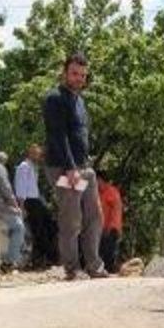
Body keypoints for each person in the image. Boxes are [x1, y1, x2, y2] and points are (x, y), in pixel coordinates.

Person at [43, 53, 106, 280]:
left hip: (83, 168)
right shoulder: (55, 99)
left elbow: (79, 134)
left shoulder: (79, 101)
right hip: (64, 169)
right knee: (71, 218)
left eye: (82, 75)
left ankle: (94, 267)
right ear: (65, 73)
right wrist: (70, 168)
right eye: (74, 73)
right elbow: (58, 136)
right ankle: (72, 269)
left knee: (94, 216)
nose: (79, 78)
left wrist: (84, 163)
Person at [14, 144, 55, 268]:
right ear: (31, 154)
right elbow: (21, 187)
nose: (39, 157)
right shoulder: (24, 167)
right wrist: (22, 206)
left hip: (35, 200)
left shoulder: (33, 167)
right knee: (38, 231)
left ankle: (44, 257)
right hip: (29, 201)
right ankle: (40, 258)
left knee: (47, 227)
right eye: (37, 154)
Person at [97, 171, 123, 274]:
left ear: (101, 180)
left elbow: (116, 212)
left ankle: (110, 271)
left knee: (109, 253)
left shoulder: (112, 192)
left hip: (111, 229)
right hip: (101, 229)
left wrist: (111, 227)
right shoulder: (99, 193)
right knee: (101, 251)